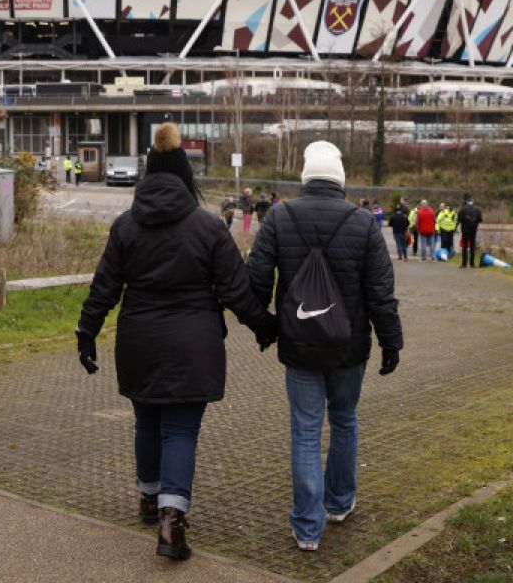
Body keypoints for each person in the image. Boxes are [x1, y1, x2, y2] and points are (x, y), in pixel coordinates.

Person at [77, 124, 277, 561]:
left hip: (139, 341)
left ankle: (150, 501)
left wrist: (86, 331)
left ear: (148, 175)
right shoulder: (207, 228)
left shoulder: (126, 226)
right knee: (180, 430)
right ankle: (171, 524)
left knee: (147, 422)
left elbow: (104, 287)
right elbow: (237, 290)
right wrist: (265, 326)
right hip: (193, 344)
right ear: (186, 176)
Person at [246, 141, 403, 552]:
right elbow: (381, 293)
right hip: (349, 347)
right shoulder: (364, 222)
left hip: (299, 346)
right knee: (345, 419)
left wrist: (268, 328)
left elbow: (254, 284)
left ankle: (306, 526)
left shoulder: (279, 216)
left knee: (305, 428)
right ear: (340, 179)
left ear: (305, 176)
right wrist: (391, 343)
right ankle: (338, 503)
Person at [458, 193, 484, 269]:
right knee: (472, 247)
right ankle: (472, 264)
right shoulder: (478, 210)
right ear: (473, 202)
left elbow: (459, 219)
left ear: (466, 202)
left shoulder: (462, 209)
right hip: (473, 230)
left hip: (465, 230)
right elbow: (480, 220)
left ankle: (464, 264)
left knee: (464, 246)